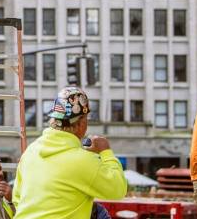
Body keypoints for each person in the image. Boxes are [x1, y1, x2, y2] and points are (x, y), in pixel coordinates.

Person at [12, 86, 127, 218]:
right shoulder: (83, 161)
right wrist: (105, 152)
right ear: (80, 123)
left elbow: (17, 199)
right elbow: (117, 189)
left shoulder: (30, 152)